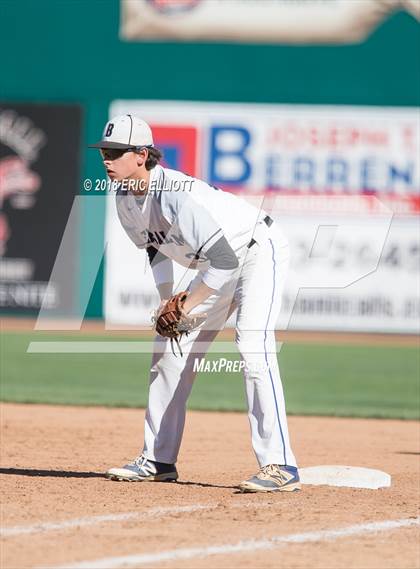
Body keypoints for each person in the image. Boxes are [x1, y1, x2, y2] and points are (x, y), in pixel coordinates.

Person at [89, 114, 300, 493]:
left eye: (116, 152)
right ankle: (157, 459)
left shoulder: (174, 194)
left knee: (252, 350)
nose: (107, 160)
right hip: (213, 265)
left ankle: (280, 465)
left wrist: (185, 305)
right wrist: (167, 299)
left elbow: (225, 261)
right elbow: (155, 248)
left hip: (255, 251)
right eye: (105, 151)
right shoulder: (124, 198)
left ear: (141, 155)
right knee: (169, 352)